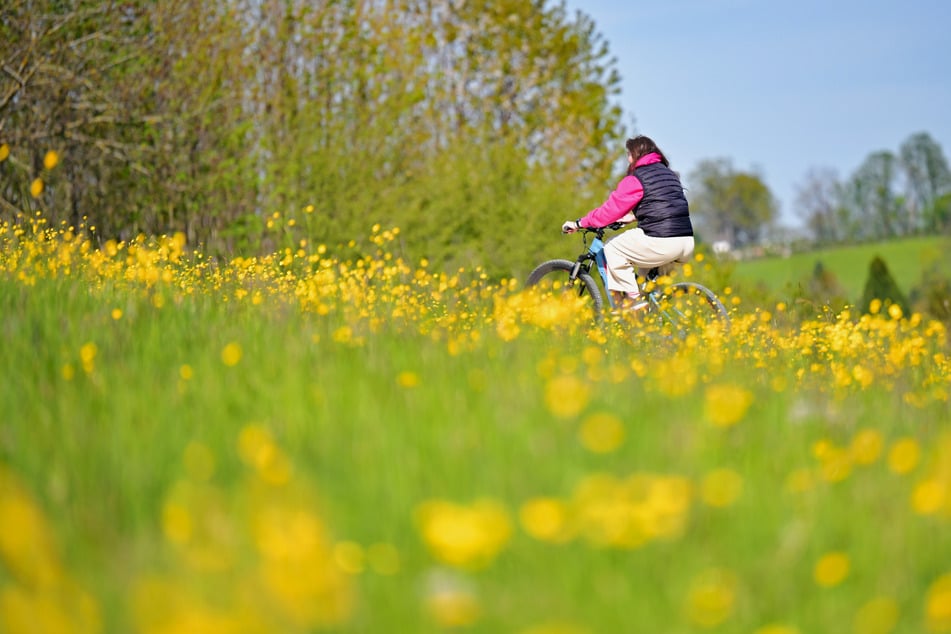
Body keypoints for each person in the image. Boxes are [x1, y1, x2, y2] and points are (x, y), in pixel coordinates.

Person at [562, 135, 694, 310]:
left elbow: (608, 212)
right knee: (649, 286)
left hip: (661, 241)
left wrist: (580, 223)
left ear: (635, 154)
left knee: (611, 248)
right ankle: (653, 325)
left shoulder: (637, 178)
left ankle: (634, 303)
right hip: (685, 242)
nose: (627, 159)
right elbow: (666, 207)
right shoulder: (668, 174)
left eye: (628, 155)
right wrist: (633, 217)